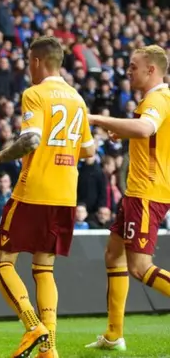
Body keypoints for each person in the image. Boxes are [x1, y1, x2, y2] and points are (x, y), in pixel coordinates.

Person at [0, 36, 95, 358]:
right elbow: (88, 150)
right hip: (65, 195)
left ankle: (32, 325)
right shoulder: (77, 99)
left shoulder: (35, 94)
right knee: (44, 270)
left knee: (1, 262)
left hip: (35, 190)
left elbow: (30, 140)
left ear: (37, 61)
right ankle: (50, 349)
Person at [85, 45, 170, 352]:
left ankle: (114, 334)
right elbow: (150, 135)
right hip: (138, 192)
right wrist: (126, 131)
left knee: (140, 267)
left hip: (147, 193)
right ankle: (113, 334)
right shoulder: (157, 99)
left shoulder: (158, 99)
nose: (128, 71)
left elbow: (146, 127)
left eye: (134, 66)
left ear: (152, 70)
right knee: (113, 255)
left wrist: (98, 119)